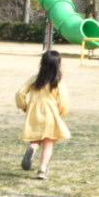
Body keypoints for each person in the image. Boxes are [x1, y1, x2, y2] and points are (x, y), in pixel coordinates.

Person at [16, 50, 70, 180]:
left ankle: (33, 147)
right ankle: (42, 170)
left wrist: (24, 106)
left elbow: (20, 93)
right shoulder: (57, 80)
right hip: (50, 112)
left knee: (36, 138)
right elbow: (63, 99)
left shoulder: (35, 78)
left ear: (42, 63)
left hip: (34, 111)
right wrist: (62, 111)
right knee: (48, 143)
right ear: (58, 64)